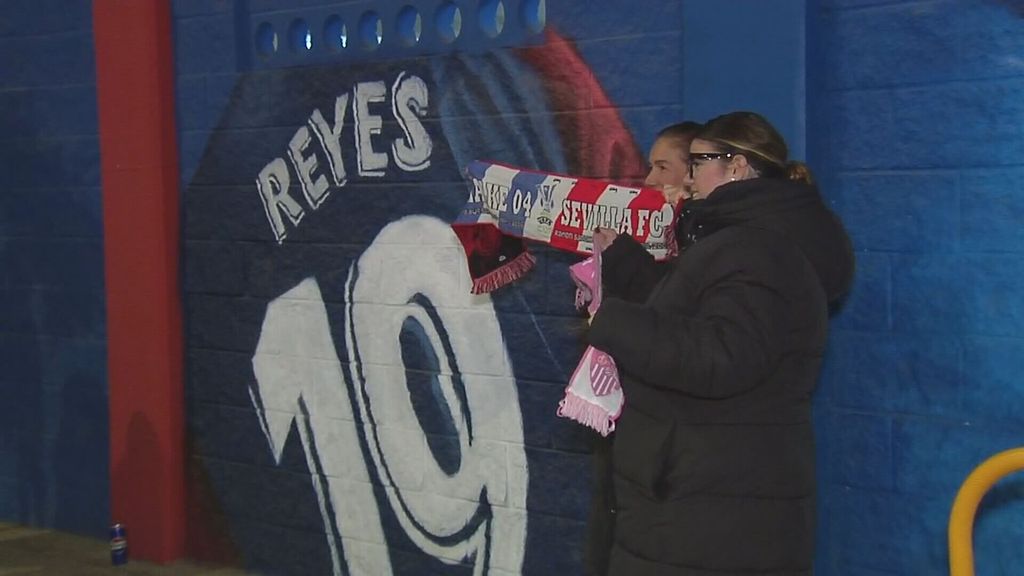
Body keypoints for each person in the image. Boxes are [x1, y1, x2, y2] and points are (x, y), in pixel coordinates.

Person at [587, 111, 854, 575]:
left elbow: (722, 354)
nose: (686, 179)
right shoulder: (744, 241)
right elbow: (697, 312)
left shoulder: (760, 249)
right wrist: (624, 263)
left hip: (711, 513)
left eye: (697, 163)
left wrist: (614, 322)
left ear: (736, 166)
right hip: (706, 499)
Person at [583, 120, 702, 576]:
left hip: (663, 440)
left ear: (694, 175)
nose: (649, 180)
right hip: (628, 424)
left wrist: (623, 262)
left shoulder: (704, 250)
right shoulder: (652, 236)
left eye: (662, 167)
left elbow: (669, 315)